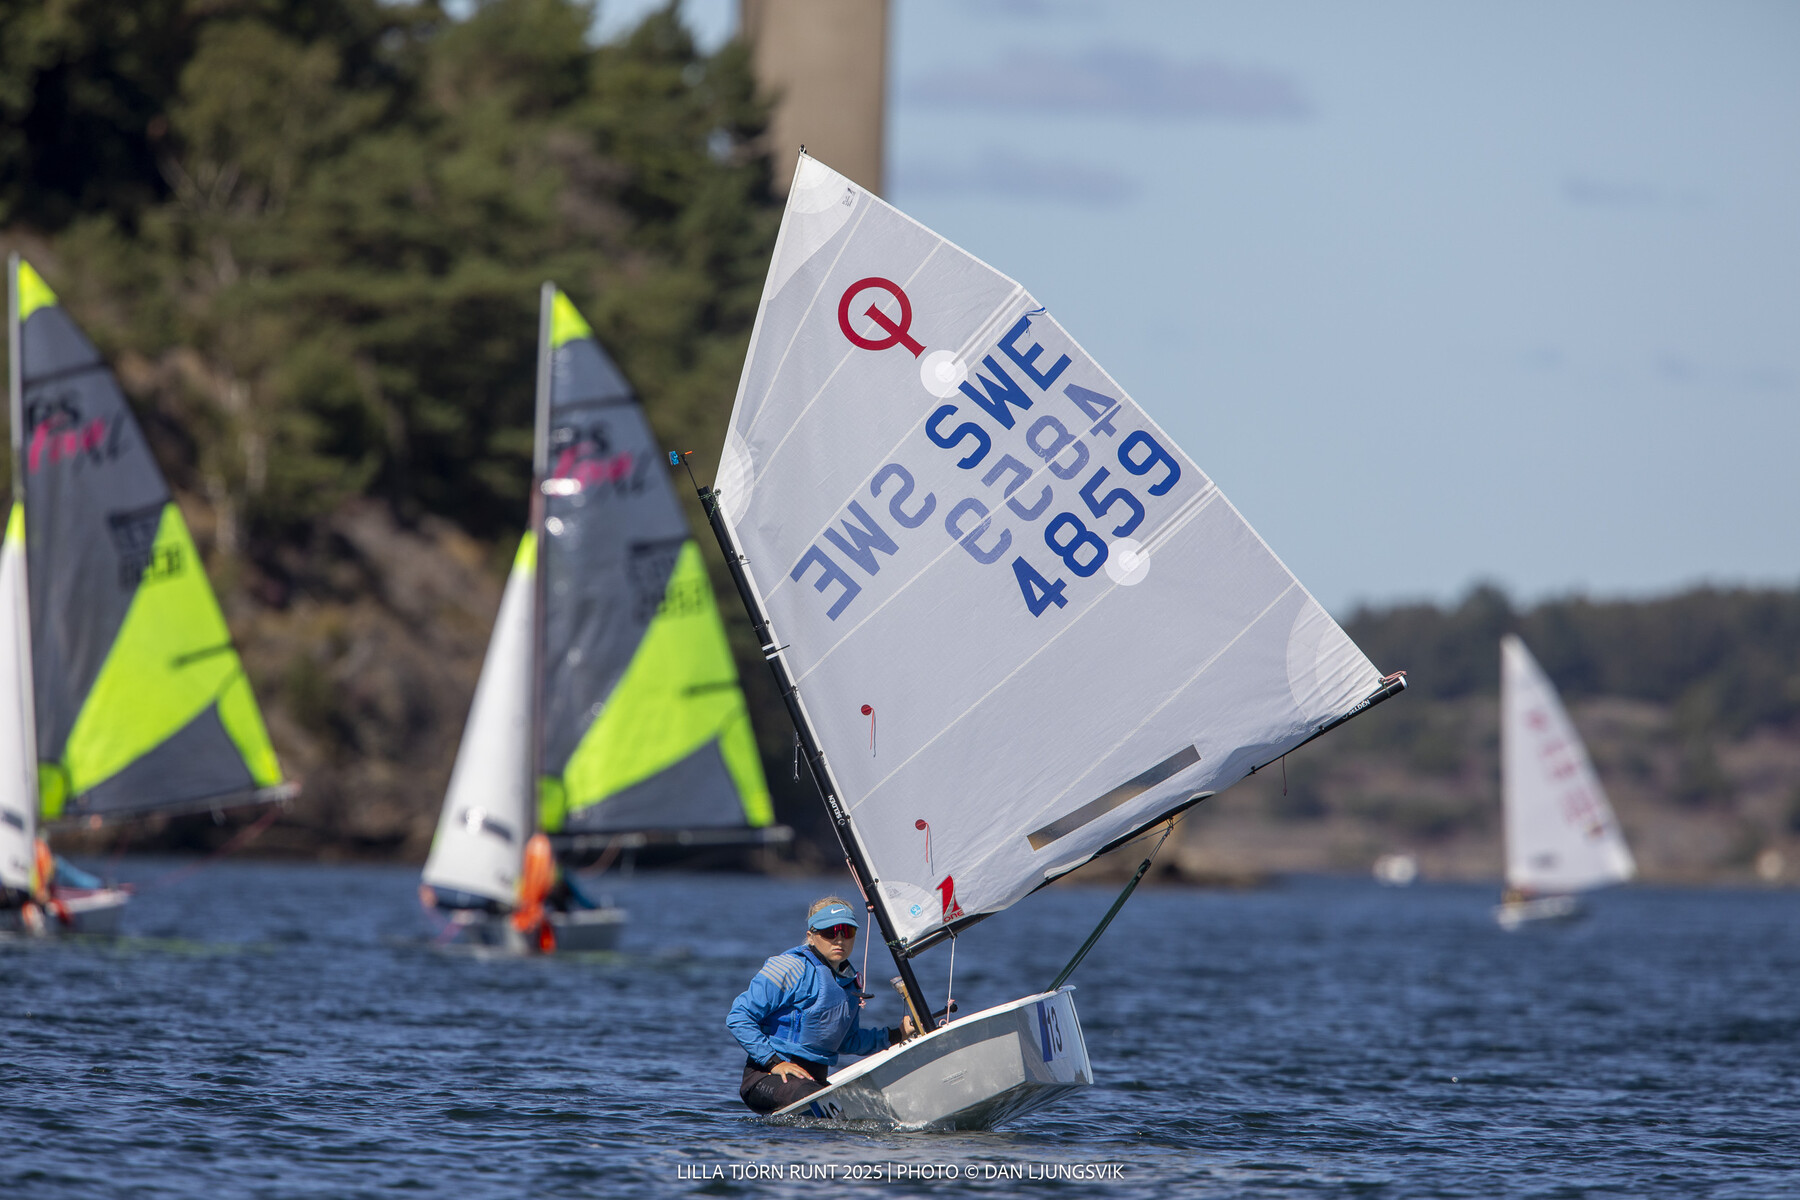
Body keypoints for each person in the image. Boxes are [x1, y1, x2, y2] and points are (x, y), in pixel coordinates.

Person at [726, 897, 916, 1114]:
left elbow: (848, 1041)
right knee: (825, 1106)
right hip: (766, 1077)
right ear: (811, 936)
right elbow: (739, 1017)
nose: (839, 940)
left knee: (862, 1110)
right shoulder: (790, 967)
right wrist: (774, 1063)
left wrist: (897, 1034)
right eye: (830, 932)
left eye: (847, 931)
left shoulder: (850, 983)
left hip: (812, 1082)